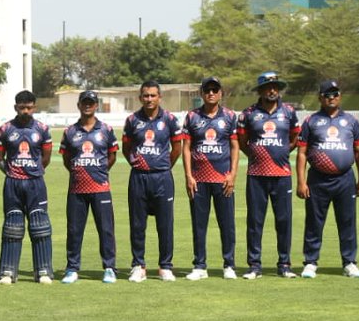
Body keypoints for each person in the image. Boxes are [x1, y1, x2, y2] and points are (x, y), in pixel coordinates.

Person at [295, 79, 359, 278]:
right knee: (314, 222)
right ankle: (310, 262)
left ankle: (349, 262)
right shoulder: (311, 121)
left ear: (340, 96)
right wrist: (301, 182)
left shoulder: (351, 121)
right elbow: (302, 153)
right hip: (318, 179)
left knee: (347, 221)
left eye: (335, 94)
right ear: (320, 98)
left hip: (345, 179)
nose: (332, 98)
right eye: (327, 94)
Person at [236, 71, 300, 279]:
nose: (272, 90)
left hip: (282, 175)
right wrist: (257, 155)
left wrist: (280, 154)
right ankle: (254, 265)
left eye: (275, 87)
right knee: (255, 221)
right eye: (267, 87)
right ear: (261, 90)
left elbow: (294, 138)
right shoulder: (248, 114)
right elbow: (243, 142)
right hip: (256, 174)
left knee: (283, 220)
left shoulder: (289, 112)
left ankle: (284, 264)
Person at [121, 81, 183, 282]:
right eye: (145, 95)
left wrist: (164, 166)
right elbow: (126, 147)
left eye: (153, 95)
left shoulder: (170, 120)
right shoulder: (132, 120)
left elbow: (176, 149)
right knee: (137, 224)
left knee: (165, 224)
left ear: (159, 97)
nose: (149, 99)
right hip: (138, 177)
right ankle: (138, 265)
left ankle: (165, 266)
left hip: (162, 178)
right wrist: (135, 162)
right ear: (140, 97)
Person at [182, 76, 239, 280]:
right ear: (202, 93)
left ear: (221, 93)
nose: (211, 93)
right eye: (208, 90)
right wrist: (188, 176)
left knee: (227, 224)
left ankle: (229, 265)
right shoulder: (192, 117)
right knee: (199, 224)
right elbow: (186, 148)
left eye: (215, 90)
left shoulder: (230, 117)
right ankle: (200, 266)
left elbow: (234, 146)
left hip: (222, 179)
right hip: (199, 180)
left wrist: (232, 175)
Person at [0, 90, 54, 284]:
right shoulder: (5, 129)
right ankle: (8, 272)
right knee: (12, 226)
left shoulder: (42, 129)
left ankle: (43, 271)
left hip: (36, 183)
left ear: (34, 107)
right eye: (22, 108)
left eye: (29, 107)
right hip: (12, 183)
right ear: (15, 108)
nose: (26, 111)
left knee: (40, 225)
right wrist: (14, 173)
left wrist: (32, 171)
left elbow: (45, 158)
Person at [59, 90, 118, 284]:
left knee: (106, 229)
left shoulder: (106, 130)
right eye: (84, 102)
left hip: (100, 187)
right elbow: (67, 159)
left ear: (96, 105)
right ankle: (72, 268)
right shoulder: (70, 132)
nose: (87, 105)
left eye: (91, 102)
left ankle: (109, 268)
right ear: (78, 105)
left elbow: (112, 156)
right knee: (74, 230)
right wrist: (79, 172)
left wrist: (98, 172)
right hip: (77, 189)